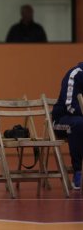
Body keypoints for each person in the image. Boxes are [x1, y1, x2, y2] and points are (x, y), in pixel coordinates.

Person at [52, 62, 83, 190]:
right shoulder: (75, 74)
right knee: (79, 124)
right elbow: (69, 106)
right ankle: (77, 172)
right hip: (63, 119)